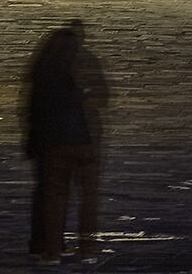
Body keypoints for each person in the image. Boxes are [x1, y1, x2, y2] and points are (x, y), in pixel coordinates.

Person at [24, 20, 109, 263]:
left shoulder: (43, 68)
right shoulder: (86, 62)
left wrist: (32, 140)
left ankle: (52, 252)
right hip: (86, 140)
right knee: (88, 198)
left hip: (55, 142)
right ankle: (88, 250)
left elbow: (33, 108)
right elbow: (103, 97)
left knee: (55, 197)